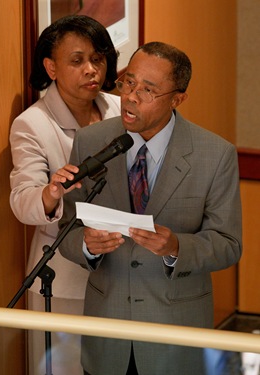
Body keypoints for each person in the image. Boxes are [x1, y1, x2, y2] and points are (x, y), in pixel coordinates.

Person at [58, 41, 242, 375]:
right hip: (106, 337)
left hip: (175, 338)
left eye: (148, 90)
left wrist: (176, 247)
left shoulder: (216, 155)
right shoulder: (90, 141)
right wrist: (87, 245)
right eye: (129, 81)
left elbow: (229, 245)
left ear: (177, 98)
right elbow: (67, 228)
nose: (130, 96)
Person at [9, 15, 120, 375]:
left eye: (98, 59)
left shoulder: (119, 110)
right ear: (51, 67)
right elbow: (23, 201)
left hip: (123, 276)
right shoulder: (33, 124)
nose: (92, 70)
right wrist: (52, 192)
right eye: (77, 61)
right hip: (63, 281)